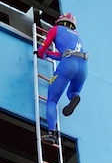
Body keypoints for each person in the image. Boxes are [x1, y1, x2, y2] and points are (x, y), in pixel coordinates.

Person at [36, 13, 88, 144]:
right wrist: (48, 55)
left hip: (68, 65)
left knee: (52, 100)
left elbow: (45, 45)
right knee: (73, 91)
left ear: (59, 22)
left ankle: (51, 133)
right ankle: (74, 97)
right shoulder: (77, 36)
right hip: (83, 67)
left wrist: (41, 53)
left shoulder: (55, 29)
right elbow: (63, 54)